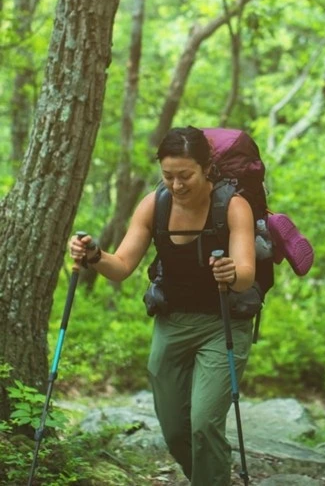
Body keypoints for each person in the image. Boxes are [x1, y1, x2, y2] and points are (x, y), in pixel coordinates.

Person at [69, 126, 256, 486]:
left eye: (185, 175)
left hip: (223, 325)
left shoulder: (233, 206)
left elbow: (246, 274)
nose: (177, 184)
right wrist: (93, 255)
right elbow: (121, 266)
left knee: (204, 423)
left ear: (206, 169)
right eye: (168, 175)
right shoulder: (155, 204)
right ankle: (209, 476)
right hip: (172, 324)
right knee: (174, 430)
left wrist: (231, 272)